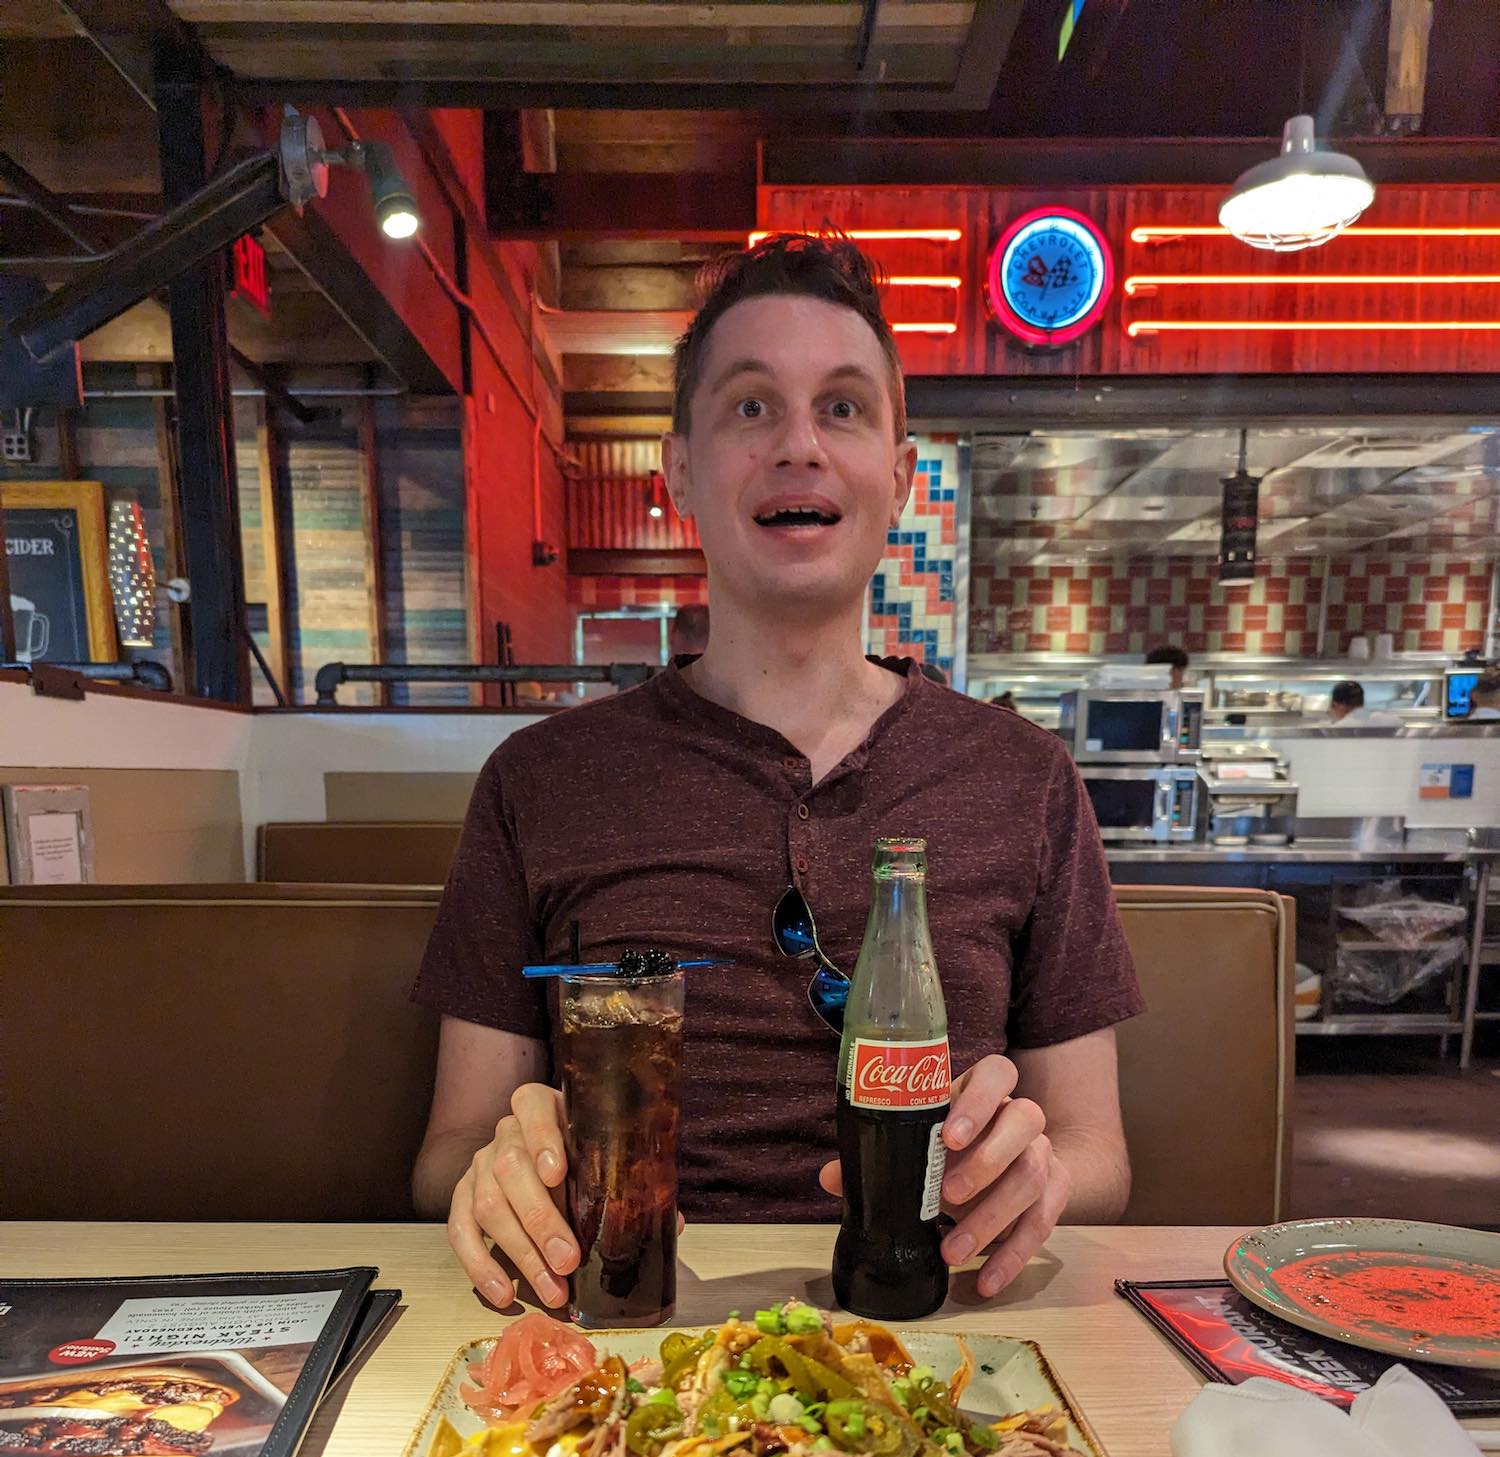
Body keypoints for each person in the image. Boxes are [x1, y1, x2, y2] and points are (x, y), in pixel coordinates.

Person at [412, 234, 1142, 1309]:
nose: (800, 444)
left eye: (843, 407)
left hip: (942, 1330)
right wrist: (494, 1175)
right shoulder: (540, 779)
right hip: (625, 1322)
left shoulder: (1025, 776)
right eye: (751, 408)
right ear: (680, 474)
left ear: (897, 477)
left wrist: (1043, 1175)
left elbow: (1099, 1152)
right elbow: (447, 1149)